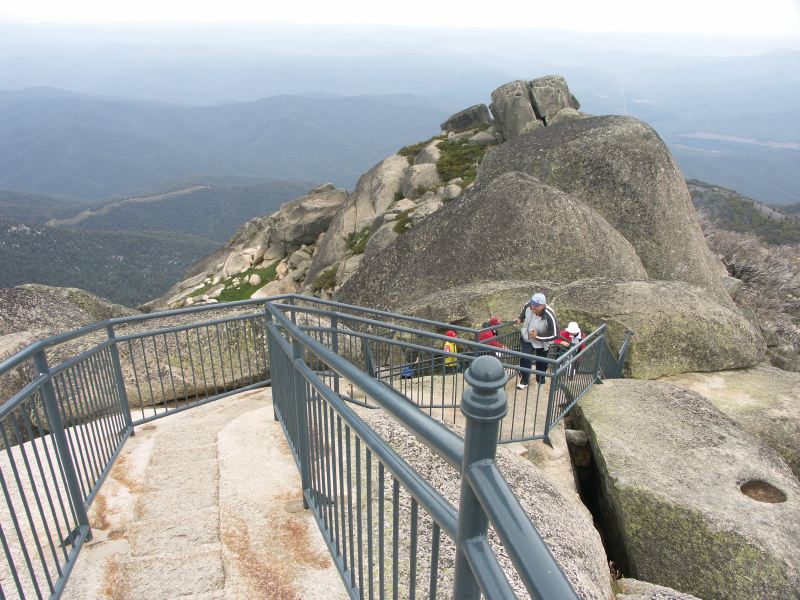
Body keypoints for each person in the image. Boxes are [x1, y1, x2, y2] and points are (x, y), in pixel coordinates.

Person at [514, 292, 558, 389]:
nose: (532, 307)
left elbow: (555, 335)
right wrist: (520, 318)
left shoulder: (549, 315)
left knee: (541, 361)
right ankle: (524, 381)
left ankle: (540, 380)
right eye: (532, 304)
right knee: (525, 358)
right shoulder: (529, 305)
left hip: (543, 341)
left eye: (536, 306)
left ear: (543, 306)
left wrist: (537, 336)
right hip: (528, 337)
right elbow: (523, 312)